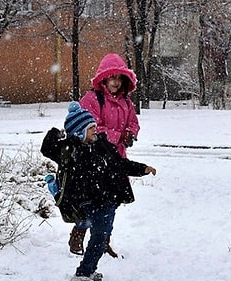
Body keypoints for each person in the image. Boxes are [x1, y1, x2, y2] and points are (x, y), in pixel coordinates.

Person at [42, 102, 156, 281]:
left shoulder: (102, 146)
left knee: (102, 236)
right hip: (89, 201)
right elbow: (47, 148)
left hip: (108, 199)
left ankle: (89, 270)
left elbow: (121, 164)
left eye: (94, 126)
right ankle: (83, 273)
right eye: (90, 127)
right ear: (79, 131)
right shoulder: (70, 150)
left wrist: (142, 169)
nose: (95, 129)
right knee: (99, 237)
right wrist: (56, 133)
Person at [69, 53, 140, 256]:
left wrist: (130, 134)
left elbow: (133, 122)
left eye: (119, 78)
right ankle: (80, 231)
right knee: (92, 201)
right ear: (104, 79)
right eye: (112, 78)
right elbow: (91, 128)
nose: (116, 83)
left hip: (116, 159)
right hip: (95, 160)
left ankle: (103, 240)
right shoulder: (92, 99)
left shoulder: (127, 102)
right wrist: (118, 136)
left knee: (113, 202)